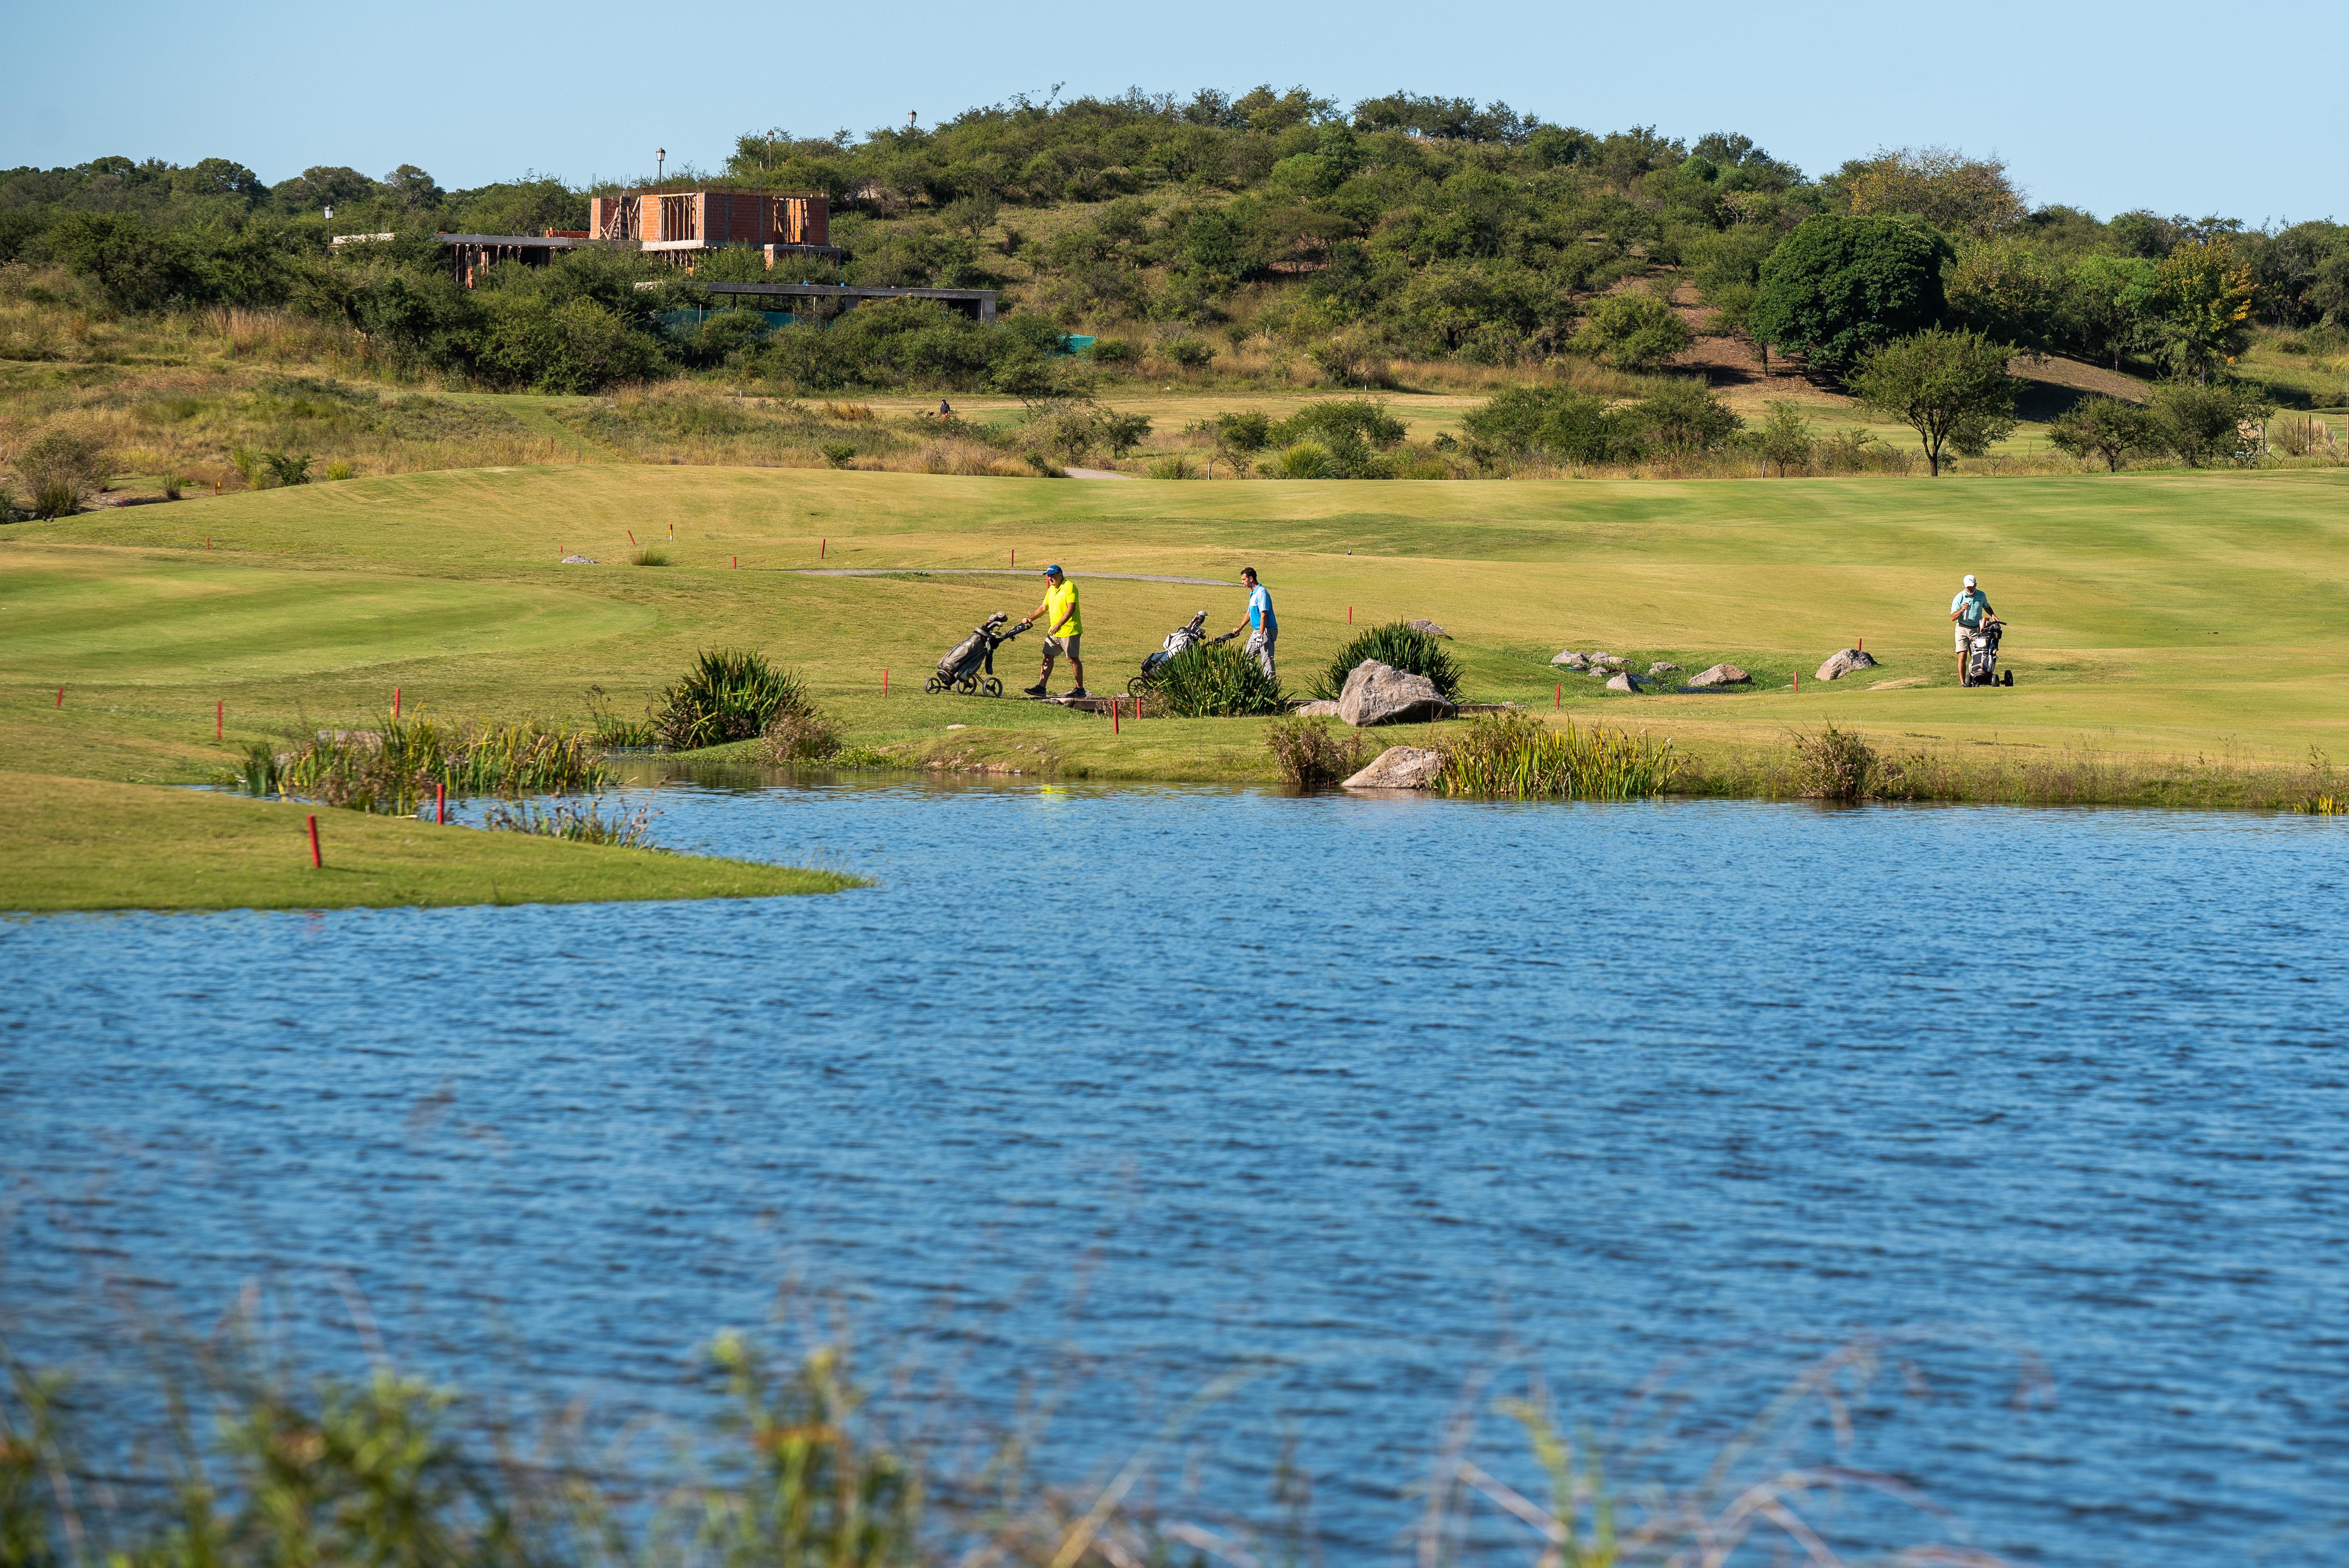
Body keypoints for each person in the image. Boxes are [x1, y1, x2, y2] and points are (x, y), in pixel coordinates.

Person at [1020, 564, 1086, 698]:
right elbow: (1044, 607)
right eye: (1048, 576)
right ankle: (1041, 688)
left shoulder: (1070, 587)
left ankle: (1080, 690)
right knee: (1047, 656)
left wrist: (1059, 625)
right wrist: (1031, 618)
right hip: (1055, 632)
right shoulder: (1051, 590)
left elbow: (1071, 609)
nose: (1050, 578)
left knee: (1073, 659)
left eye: (1052, 576)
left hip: (1070, 630)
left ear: (1060, 575)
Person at [1225, 566, 1276, 681]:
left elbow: (1264, 615)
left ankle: (1271, 688)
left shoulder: (1262, 593)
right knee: (1247, 657)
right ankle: (1253, 682)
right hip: (1257, 631)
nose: (1242, 582)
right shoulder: (1253, 594)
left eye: (1244, 579)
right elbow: (1249, 613)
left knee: (1267, 660)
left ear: (1251, 579)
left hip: (1266, 630)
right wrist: (1240, 628)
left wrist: (1261, 634)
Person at [1949, 573, 1994, 683]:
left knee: (1977, 655)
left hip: (1977, 629)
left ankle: (1975, 679)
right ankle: (1963, 683)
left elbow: (1986, 606)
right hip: (1962, 628)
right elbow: (1953, 618)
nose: (1970, 589)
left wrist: (1993, 615)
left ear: (1976, 585)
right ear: (1965, 586)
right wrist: (1961, 610)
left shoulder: (1981, 595)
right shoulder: (1959, 597)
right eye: (1968, 587)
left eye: (1972, 586)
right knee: (1962, 655)